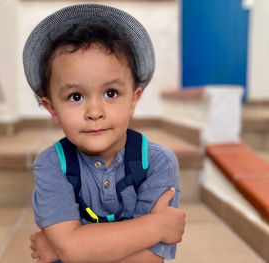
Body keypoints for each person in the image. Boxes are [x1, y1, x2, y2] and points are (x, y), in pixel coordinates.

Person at [23, 3, 185, 263]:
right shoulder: (52, 165)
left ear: (133, 100)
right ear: (52, 109)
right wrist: (156, 227)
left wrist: (70, 247)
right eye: (76, 96)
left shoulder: (157, 163)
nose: (95, 111)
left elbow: (148, 258)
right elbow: (71, 249)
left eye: (111, 93)